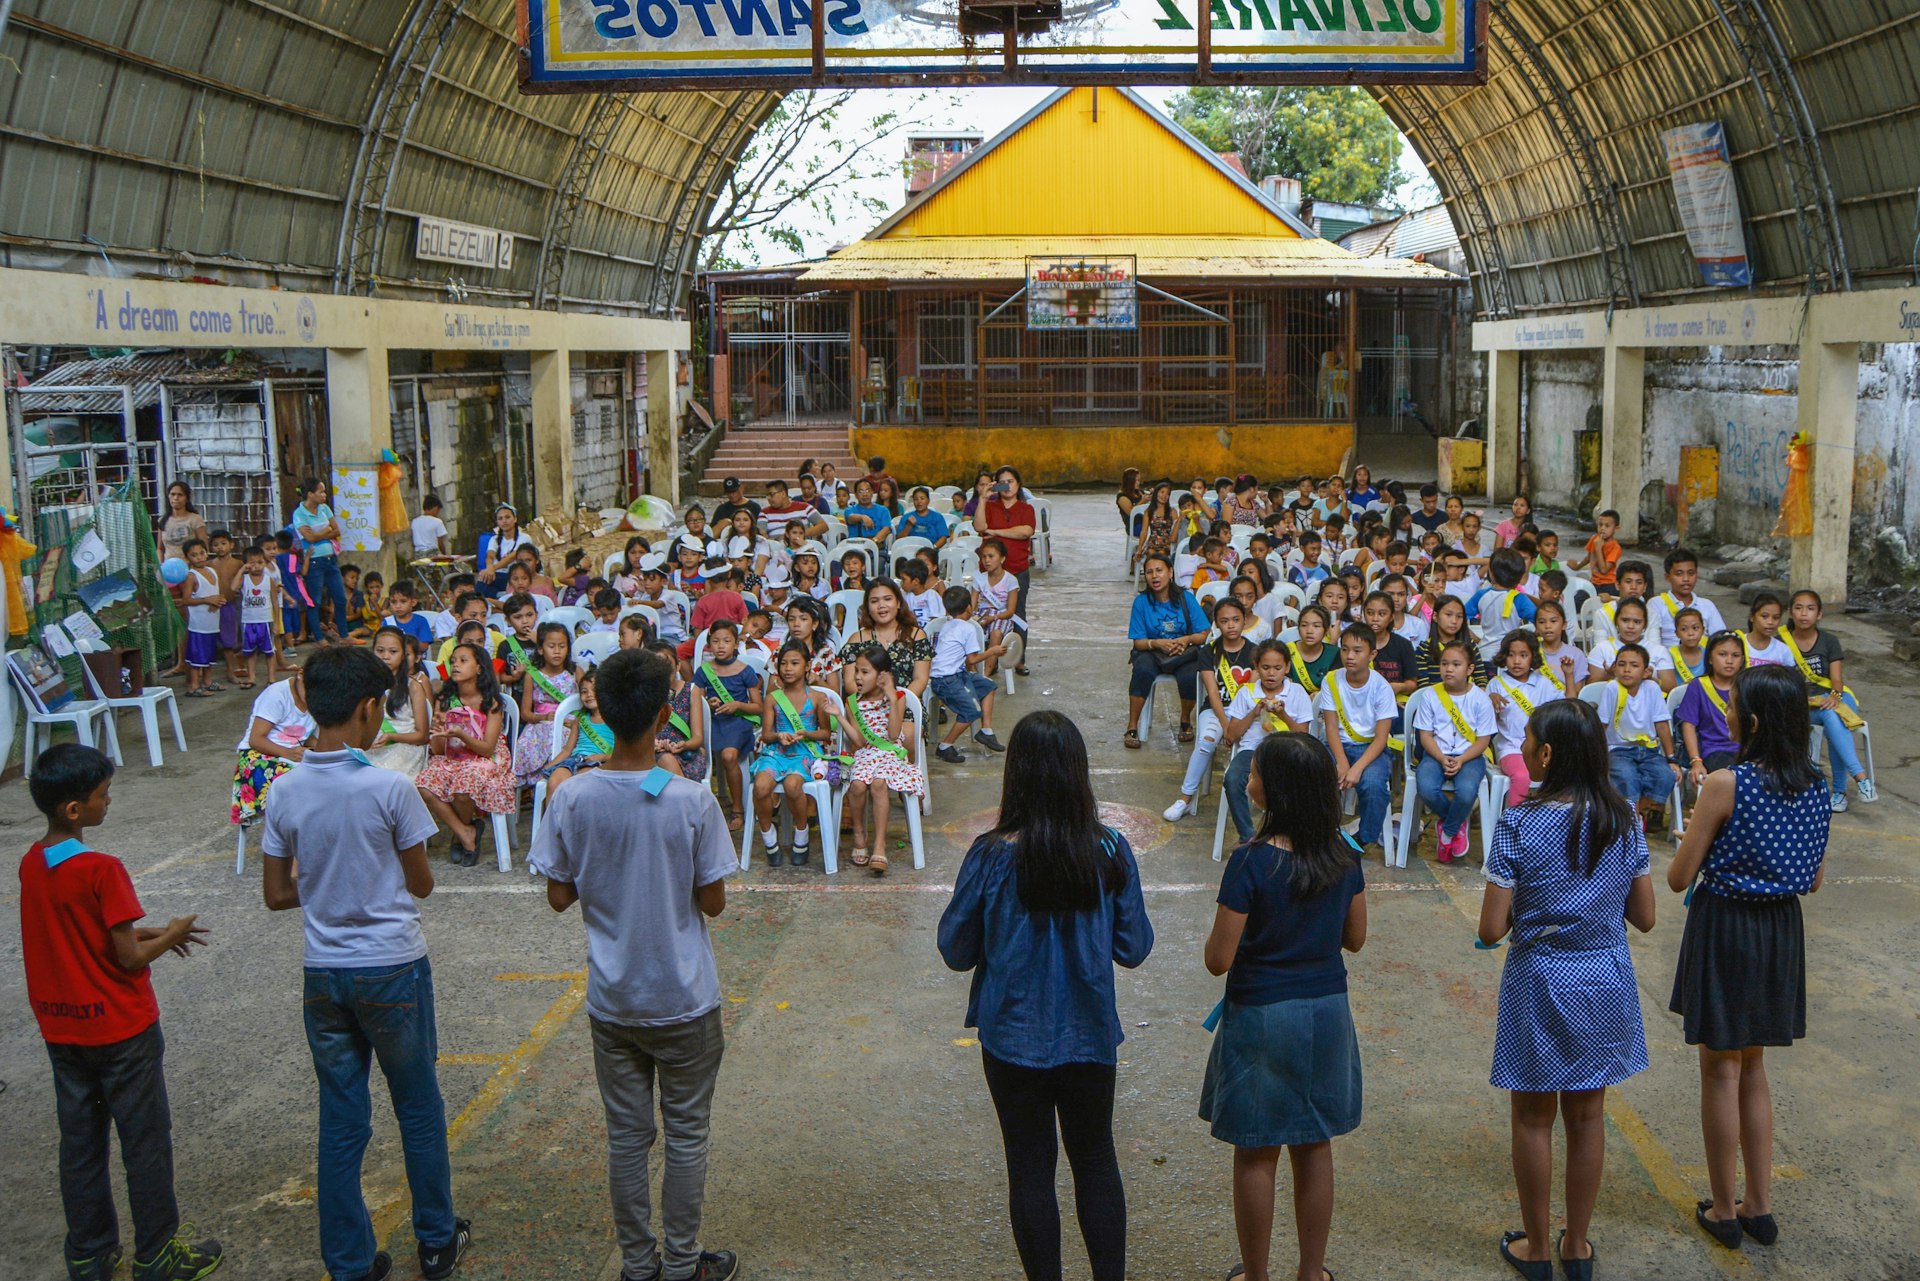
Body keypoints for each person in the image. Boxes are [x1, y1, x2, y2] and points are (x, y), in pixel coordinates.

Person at [529, 648, 740, 1281]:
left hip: (613, 997)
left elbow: (559, 896)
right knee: (686, 1135)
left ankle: (638, 1264)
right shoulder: (690, 800)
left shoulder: (571, 798)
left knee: (627, 1138)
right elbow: (714, 901)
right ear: (660, 715)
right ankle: (681, 1263)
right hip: (683, 995)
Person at [260, 646, 470, 1281]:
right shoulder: (390, 786)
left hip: (323, 972)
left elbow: (276, 894)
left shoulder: (286, 790)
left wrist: (327, 882)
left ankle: (349, 1262)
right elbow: (422, 883)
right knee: (418, 1107)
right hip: (391, 965)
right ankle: (435, 1239)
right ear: (367, 708)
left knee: (342, 1117)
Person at [938, 710, 1152, 1281]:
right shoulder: (1109, 849)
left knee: (1030, 1171)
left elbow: (955, 949)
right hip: (1089, 1033)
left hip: (1012, 1036)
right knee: (1095, 1159)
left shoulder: (990, 854)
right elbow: (1135, 947)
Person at [22, 743, 222, 1281]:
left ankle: (89, 1253)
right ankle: (158, 1253)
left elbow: (81, 935)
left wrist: (145, 932)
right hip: (120, 1029)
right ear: (74, 809)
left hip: (63, 1026)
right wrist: (172, 933)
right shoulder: (102, 869)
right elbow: (128, 958)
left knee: (81, 1144)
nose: (108, 803)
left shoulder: (33, 862)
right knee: (145, 1144)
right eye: (102, 796)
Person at [1478, 699, 1656, 1281]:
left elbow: (1491, 927)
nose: (1522, 745)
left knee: (1533, 1119)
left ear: (1547, 754)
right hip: (1604, 975)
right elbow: (1647, 916)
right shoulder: (1624, 817)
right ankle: (1576, 1245)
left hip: (1540, 977)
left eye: (1527, 737)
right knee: (1587, 1116)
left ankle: (1534, 1248)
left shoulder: (1519, 823)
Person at [1667, 664, 1831, 1253]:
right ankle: (1760, 1206)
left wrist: (1698, 834)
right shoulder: (1815, 784)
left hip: (1728, 927)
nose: (1726, 713)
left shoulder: (1725, 784)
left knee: (1720, 1068)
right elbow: (1811, 880)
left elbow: (1679, 875)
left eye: (1732, 706)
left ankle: (1724, 1207)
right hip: (1782, 931)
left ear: (1753, 722)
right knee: (1755, 1065)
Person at [1201, 733, 1366, 1281]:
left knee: (1257, 1152)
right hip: (1327, 1012)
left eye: (1254, 772)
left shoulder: (1250, 862)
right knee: (1314, 1145)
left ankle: (1255, 1276)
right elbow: (1356, 938)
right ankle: (1312, 1273)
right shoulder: (1344, 855)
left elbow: (1219, 959)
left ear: (1276, 792)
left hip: (1263, 1016)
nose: (1246, 778)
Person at [415, 642, 514, 865]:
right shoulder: (445, 700)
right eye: (453, 661)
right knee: (424, 785)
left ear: (479, 668)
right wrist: (439, 733)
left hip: (484, 757)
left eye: (463, 660)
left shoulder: (492, 702)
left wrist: (462, 735)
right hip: (453, 755)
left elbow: (487, 749)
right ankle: (465, 830)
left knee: (463, 787)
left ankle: (460, 834)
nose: (456, 665)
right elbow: (440, 752)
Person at [1162, 596, 1257, 822]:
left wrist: (1237, 725)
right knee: (1206, 741)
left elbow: (1254, 692)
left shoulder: (1256, 651)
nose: (1231, 625)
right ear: (1216, 623)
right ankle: (1185, 799)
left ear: (1245, 621)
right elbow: (1212, 693)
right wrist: (1226, 725)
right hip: (1216, 711)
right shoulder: (1208, 652)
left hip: (1247, 714)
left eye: (1236, 619)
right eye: (1225, 621)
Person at [1782, 589, 1875, 810]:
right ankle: (1856, 781)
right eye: (1799, 608)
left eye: (1810, 609)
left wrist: (1834, 697)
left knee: (1833, 715)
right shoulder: (1780, 641)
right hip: (1801, 705)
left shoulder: (1829, 641)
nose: (1804, 613)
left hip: (1833, 697)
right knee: (1831, 716)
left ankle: (1845, 790)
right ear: (1790, 612)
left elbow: (1836, 679)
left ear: (1820, 614)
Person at [1218, 640, 1312, 843]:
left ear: (1287, 667)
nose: (1271, 674)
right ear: (1257, 667)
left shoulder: (1297, 692)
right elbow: (1231, 735)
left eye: (1277, 668)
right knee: (1232, 780)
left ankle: (1288, 833)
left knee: (1298, 783)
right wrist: (1254, 712)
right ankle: (1248, 835)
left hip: (1287, 751)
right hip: (1253, 751)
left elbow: (1304, 736)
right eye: (1265, 668)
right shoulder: (1246, 692)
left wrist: (1283, 714)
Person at [1411, 640, 1496, 863]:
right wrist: (1440, 757)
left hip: (1470, 756)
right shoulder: (1430, 695)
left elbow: (1483, 739)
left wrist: (1461, 760)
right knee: (1426, 787)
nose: (1448, 669)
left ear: (1469, 669)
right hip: (1435, 754)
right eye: (1444, 664)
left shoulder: (1480, 698)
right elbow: (1425, 736)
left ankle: (1447, 830)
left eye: (1456, 664)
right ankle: (1457, 822)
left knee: (1467, 792)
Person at [840, 646, 924, 874]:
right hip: (865, 754)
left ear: (882, 675)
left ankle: (879, 844)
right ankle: (860, 834)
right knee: (857, 785)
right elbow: (858, 741)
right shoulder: (852, 703)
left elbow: (895, 734)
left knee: (879, 783)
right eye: (856, 671)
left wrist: (890, 695)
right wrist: (839, 717)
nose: (857, 677)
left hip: (890, 753)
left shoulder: (898, 698)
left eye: (865, 672)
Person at [1316, 625, 1396, 858]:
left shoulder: (1381, 687)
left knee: (1373, 786)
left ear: (1372, 654)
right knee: (1318, 778)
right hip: (1335, 745)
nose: (1349, 656)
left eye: (1357, 651)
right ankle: (1320, 835)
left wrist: (1356, 768)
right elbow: (1330, 727)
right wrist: (1342, 763)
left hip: (1370, 749)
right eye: (1345, 649)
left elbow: (1381, 739)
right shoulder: (1332, 680)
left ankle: (1363, 838)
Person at [750, 640, 831, 865]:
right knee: (761, 786)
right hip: (776, 753)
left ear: (807, 666)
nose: (787, 668)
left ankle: (802, 833)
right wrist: (778, 736)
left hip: (804, 753)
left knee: (793, 785)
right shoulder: (773, 698)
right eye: (783, 663)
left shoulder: (817, 698)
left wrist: (806, 733)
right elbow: (766, 734)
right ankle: (768, 838)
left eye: (794, 663)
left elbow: (825, 733)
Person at [1124, 555, 1209, 750]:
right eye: (1149, 572)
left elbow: (1203, 634)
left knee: (1190, 676)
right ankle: (1132, 726)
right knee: (1142, 671)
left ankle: (1185, 719)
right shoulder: (1141, 602)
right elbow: (1138, 642)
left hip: (1183, 653)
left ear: (1170, 572)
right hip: (1152, 651)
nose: (1154, 576)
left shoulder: (1186, 599)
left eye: (1159, 570)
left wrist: (1185, 640)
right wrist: (1157, 643)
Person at [1597, 645, 1683, 824]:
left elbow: (1662, 725)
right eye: (1621, 664)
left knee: (1665, 775)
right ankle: (1634, 821)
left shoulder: (1652, 688)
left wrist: (1671, 758)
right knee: (1627, 776)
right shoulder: (1612, 688)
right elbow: (1601, 726)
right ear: (1614, 668)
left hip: (1648, 751)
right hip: (1618, 750)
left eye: (1634, 665)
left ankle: (1637, 815)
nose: (1627, 669)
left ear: (1646, 672)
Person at [694, 619, 762, 829]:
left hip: (738, 721)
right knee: (695, 753)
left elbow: (758, 707)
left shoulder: (745, 671)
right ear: (709, 644)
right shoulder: (704, 671)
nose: (720, 645)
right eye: (715, 641)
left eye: (726, 641)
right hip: (712, 721)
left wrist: (737, 705)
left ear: (735, 644)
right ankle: (697, 810)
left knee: (728, 756)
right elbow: (696, 701)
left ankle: (738, 810)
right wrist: (707, 703)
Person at [232, 670, 314, 832]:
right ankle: (294, 840)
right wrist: (288, 753)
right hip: (255, 757)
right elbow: (255, 740)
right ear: (301, 674)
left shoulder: (319, 697)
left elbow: (308, 735)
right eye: (311, 688)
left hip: (293, 755)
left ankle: (311, 836)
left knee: (331, 775)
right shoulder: (277, 694)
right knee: (300, 784)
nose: (314, 695)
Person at [931, 585, 1006, 763]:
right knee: (971, 712)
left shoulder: (948, 625)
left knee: (988, 686)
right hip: (946, 680)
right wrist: (993, 651)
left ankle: (986, 731)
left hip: (954, 675)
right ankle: (945, 746)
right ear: (969, 608)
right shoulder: (967, 628)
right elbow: (972, 660)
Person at [1486, 630, 1558, 807]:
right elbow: (1487, 724)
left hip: (1541, 749)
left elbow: (1563, 708)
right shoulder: (1496, 684)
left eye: (1523, 655)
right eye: (1511, 655)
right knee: (1521, 776)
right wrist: (1490, 703)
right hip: (1510, 748)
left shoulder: (1543, 683)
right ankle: (1514, 823)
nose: (1516, 661)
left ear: (1533, 657)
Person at [1676, 630, 1746, 787]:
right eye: (1722, 654)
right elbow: (1688, 725)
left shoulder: (1747, 685)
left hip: (1747, 749)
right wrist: (1696, 761)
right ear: (1709, 658)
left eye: (1735, 656)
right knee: (1733, 777)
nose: (1729, 661)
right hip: (1714, 751)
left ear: (1742, 660)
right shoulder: (1698, 686)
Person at [976, 466, 1037, 643]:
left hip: (1017, 569)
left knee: (1018, 613)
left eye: (1010, 482)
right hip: (990, 571)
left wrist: (995, 531)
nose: (1007, 486)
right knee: (986, 612)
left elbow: (1026, 531)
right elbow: (980, 527)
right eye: (1002, 483)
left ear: (1018, 484)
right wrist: (982, 499)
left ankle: (1018, 659)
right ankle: (990, 658)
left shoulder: (1026, 509)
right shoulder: (989, 506)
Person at [367, 626, 433, 779]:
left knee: (381, 778)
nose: (386, 656)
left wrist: (392, 737)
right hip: (372, 745)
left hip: (404, 747)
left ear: (403, 655)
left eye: (393, 652)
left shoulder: (413, 687)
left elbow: (422, 735)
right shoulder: (366, 684)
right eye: (380, 651)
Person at [541, 668, 613, 796]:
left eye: (595, 690)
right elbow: (567, 750)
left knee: (578, 783)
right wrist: (550, 766)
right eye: (584, 692)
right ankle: (552, 816)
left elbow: (622, 751)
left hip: (598, 763)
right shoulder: (580, 719)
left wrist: (603, 757)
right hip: (574, 760)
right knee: (554, 781)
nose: (589, 694)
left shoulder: (615, 719)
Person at [1648, 548, 1726, 646]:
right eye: (1679, 574)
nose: (1686, 579)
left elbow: (1721, 640)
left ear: (1696, 575)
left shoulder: (1707, 606)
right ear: (1667, 577)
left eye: (1691, 573)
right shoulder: (1656, 604)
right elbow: (1651, 643)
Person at [181, 539, 227, 697]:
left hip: (212, 622)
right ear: (188, 559)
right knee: (197, 655)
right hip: (198, 624)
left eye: (202, 553)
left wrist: (219, 600)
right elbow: (186, 600)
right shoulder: (191, 576)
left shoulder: (211, 571)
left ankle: (207, 681)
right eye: (194, 555)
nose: (199, 557)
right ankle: (194, 686)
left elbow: (215, 594)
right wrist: (207, 600)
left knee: (209, 653)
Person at [476, 504, 534, 599]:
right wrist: (489, 568)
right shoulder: (494, 539)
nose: (504, 521)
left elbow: (511, 557)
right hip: (495, 575)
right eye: (500, 518)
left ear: (515, 519)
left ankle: (478, 602)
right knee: (486, 584)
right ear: (497, 522)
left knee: (483, 581)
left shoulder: (524, 538)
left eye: (507, 517)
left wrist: (491, 569)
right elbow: (490, 556)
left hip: (515, 575)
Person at [1570, 511, 1622, 596]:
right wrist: (1577, 567)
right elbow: (1589, 557)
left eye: (1607, 526)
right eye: (1600, 525)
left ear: (1616, 529)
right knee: (1578, 599)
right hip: (1594, 582)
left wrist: (1598, 548)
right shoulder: (1595, 538)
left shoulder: (1616, 548)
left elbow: (1604, 570)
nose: (1602, 528)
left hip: (1608, 584)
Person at [411, 493, 450, 557]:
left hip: (418, 555)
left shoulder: (414, 521)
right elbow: (440, 544)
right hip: (432, 554)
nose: (438, 513)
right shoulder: (437, 522)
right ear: (435, 508)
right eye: (438, 510)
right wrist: (445, 555)